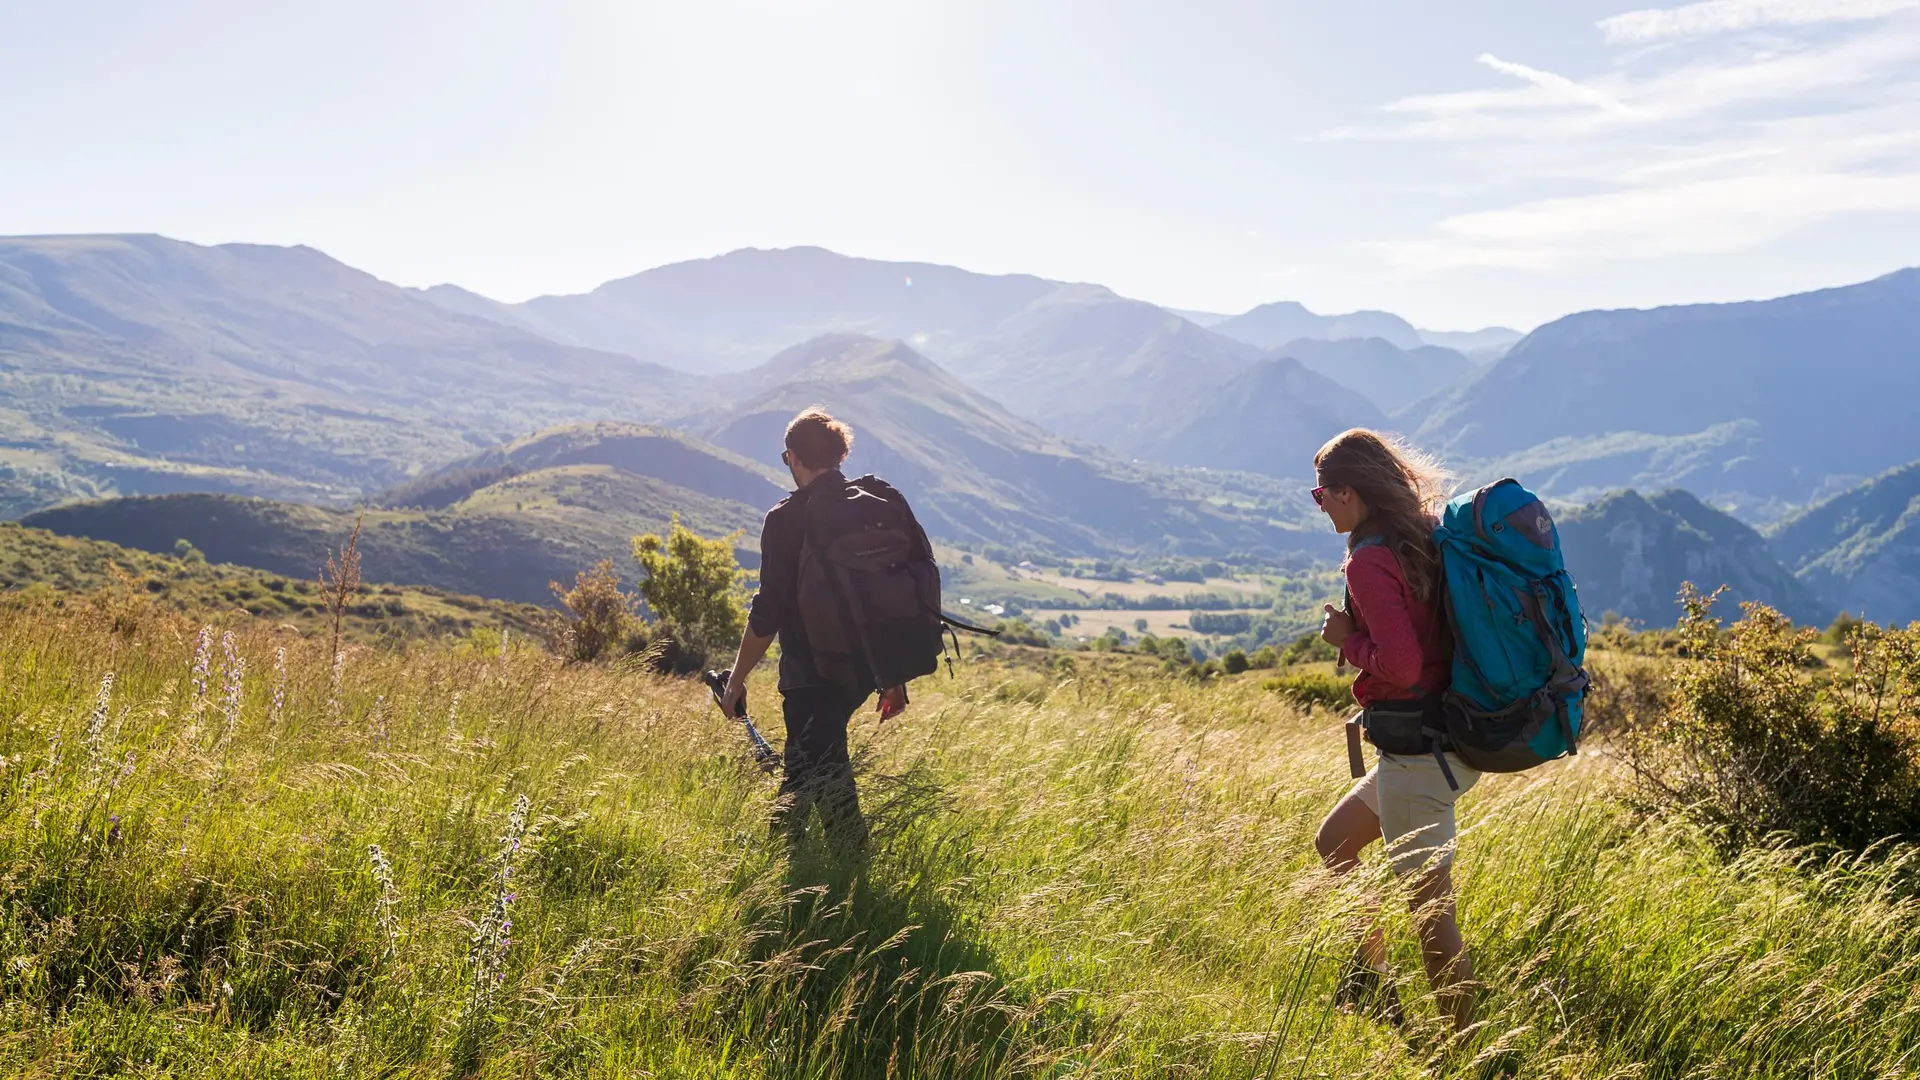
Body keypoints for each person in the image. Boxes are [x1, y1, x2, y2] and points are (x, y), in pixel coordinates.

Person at [1308, 428, 1478, 1033]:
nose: (1320, 504)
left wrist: (1346, 640)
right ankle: (1377, 989)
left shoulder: (1370, 559)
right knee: (1336, 843)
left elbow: (1401, 665)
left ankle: (1471, 1054)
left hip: (1417, 754)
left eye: (1320, 494)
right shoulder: (1421, 533)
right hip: (1436, 742)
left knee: (1432, 916)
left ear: (1348, 492)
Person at [718, 408, 909, 854]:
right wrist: (892, 675)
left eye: (788, 459)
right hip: (860, 674)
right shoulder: (870, 508)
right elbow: (885, 597)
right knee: (803, 769)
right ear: (840, 455)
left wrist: (736, 681)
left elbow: (767, 612)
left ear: (794, 458)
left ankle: (851, 877)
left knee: (827, 780)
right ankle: (785, 866)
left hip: (810, 674)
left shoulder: (786, 518)